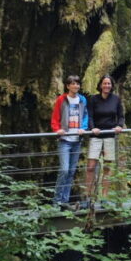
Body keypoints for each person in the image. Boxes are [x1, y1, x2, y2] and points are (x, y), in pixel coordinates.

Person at [85, 74, 125, 204]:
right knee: (91, 167)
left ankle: (104, 198)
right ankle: (88, 197)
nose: (107, 86)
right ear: (100, 85)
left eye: (109, 83)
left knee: (107, 167)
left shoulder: (116, 99)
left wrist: (119, 126)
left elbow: (121, 116)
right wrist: (92, 128)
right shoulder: (93, 99)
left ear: (112, 86)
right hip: (96, 135)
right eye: (104, 83)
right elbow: (89, 116)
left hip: (109, 136)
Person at [50, 75, 88, 207]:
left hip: (77, 140)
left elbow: (85, 116)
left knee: (71, 171)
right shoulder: (61, 99)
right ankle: (57, 201)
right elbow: (55, 117)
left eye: (77, 84)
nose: (76, 86)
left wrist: (83, 128)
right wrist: (57, 129)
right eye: (73, 84)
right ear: (68, 86)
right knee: (64, 170)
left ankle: (64, 201)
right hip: (64, 140)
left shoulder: (82, 99)